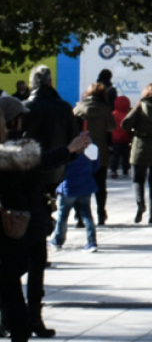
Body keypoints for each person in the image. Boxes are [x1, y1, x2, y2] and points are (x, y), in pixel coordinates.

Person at [0, 96, 90, 342]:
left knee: (11, 284)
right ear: (12, 121)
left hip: (14, 226)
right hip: (22, 223)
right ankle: (28, 322)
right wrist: (70, 150)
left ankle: (12, 322)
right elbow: (42, 163)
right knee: (20, 281)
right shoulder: (18, 152)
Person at [122, 84, 152, 224]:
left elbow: (125, 124)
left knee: (138, 179)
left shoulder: (141, 106)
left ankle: (140, 204)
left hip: (141, 144)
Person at [73, 82, 116, 225]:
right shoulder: (105, 109)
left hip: (82, 149)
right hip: (99, 150)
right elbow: (112, 127)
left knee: (81, 182)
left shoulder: (79, 107)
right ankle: (101, 213)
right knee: (100, 184)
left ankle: (80, 215)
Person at [50, 141, 100, 252]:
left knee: (63, 216)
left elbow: (59, 169)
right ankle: (92, 242)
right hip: (86, 185)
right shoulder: (92, 148)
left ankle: (58, 241)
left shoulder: (68, 149)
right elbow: (96, 166)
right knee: (87, 215)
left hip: (69, 186)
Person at [109, 95, 132, 178]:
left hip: (115, 139)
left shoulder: (113, 114)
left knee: (115, 156)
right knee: (126, 155)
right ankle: (125, 169)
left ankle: (113, 170)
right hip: (125, 139)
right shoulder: (128, 115)